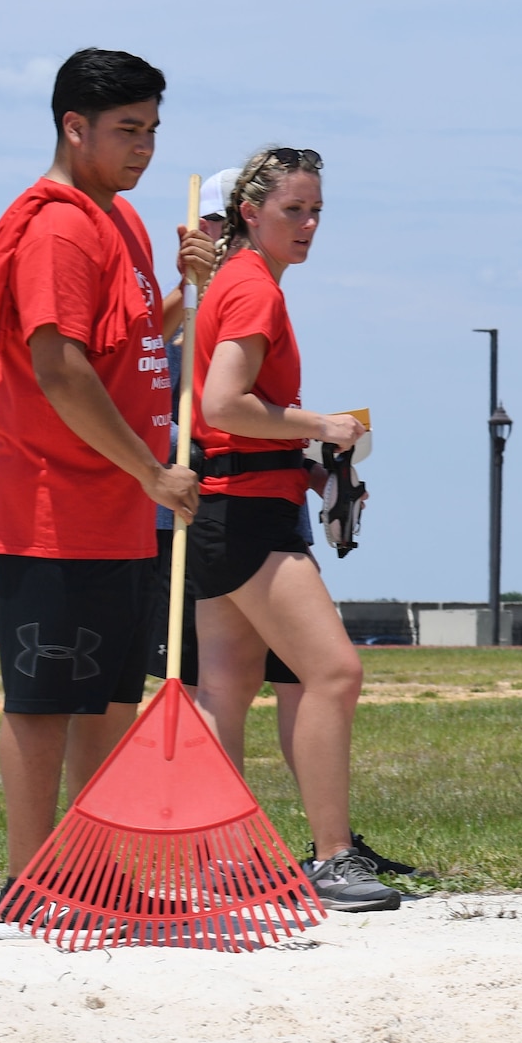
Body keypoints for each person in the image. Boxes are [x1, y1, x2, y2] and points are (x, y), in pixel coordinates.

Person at [0, 48, 207, 936]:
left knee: (108, 699)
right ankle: (29, 883)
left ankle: (94, 875)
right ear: (75, 126)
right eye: (128, 131)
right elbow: (60, 370)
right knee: (46, 701)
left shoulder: (124, 222)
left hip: (125, 506)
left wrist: (185, 291)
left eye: (152, 131)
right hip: (53, 503)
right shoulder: (58, 227)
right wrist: (150, 470)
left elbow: (129, 342)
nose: (144, 149)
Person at [150, 168, 413, 878]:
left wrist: (308, 459)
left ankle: (220, 859)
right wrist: (318, 425)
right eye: (294, 209)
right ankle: (333, 854)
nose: (309, 225)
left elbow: (222, 412)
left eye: (317, 210)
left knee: (223, 689)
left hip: (224, 506)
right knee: (333, 672)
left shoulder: (234, 281)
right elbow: (224, 405)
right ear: (251, 212)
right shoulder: (253, 287)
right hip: (247, 515)